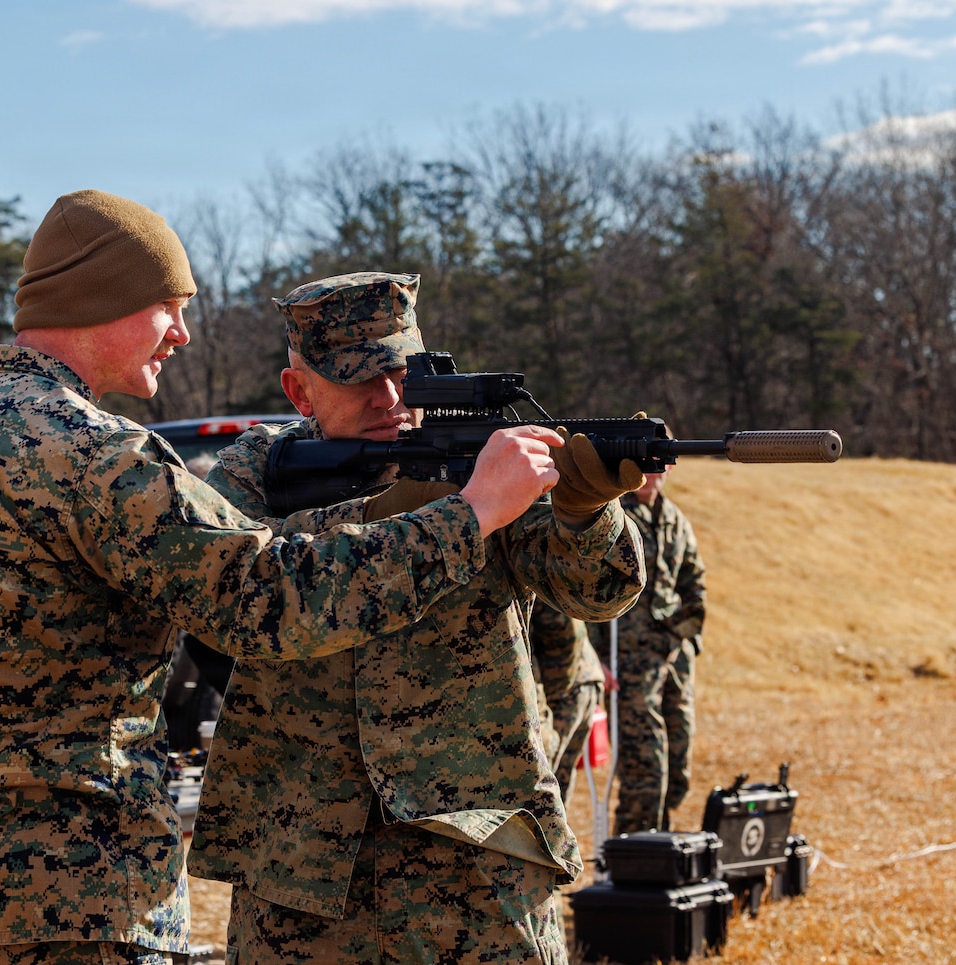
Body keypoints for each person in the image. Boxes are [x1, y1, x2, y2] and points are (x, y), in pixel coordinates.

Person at [0, 192, 563, 965]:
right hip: (77, 903)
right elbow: (272, 599)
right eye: (169, 306)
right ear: (105, 299)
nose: (182, 333)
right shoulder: (96, 455)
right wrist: (468, 514)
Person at [188, 271, 648, 964]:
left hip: (476, 856)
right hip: (301, 867)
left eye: (403, 374)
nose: (390, 399)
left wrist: (586, 512)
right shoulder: (255, 472)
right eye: (357, 380)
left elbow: (594, 590)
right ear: (299, 389)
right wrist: (439, 515)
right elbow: (236, 592)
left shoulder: (477, 462)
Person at [595, 456, 707, 834]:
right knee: (644, 765)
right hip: (627, 657)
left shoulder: (675, 519)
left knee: (678, 764)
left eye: (660, 466)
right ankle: (632, 852)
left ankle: (660, 843)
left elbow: (693, 580)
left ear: (670, 470)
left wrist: (688, 637)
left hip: (673, 657)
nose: (651, 475)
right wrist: (595, 658)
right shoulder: (611, 516)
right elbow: (583, 588)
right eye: (645, 465)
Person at [526, 598, 605, 801]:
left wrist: (548, 704)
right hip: (578, 681)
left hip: (565, 690)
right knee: (554, 790)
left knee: (541, 791)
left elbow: (563, 629)